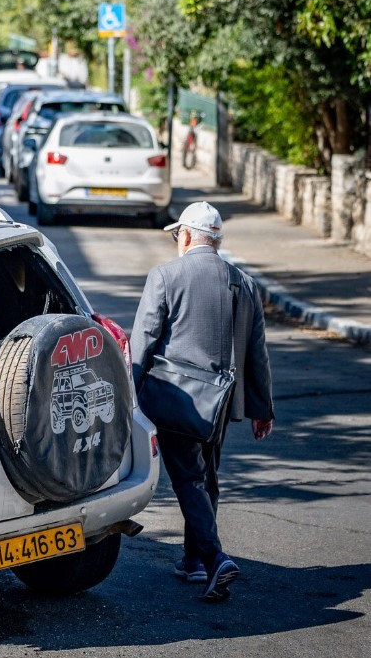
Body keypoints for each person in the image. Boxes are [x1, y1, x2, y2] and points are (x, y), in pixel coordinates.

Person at [130, 201, 275, 602]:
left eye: (178, 235)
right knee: (207, 478)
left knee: (191, 481)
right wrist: (263, 410)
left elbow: (142, 343)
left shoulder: (165, 276)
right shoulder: (244, 284)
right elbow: (256, 352)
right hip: (222, 405)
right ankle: (194, 559)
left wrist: (128, 396)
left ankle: (213, 558)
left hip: (178, 401)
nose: (178, 241)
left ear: (188, 236)